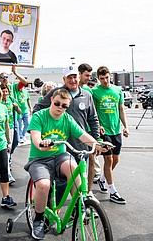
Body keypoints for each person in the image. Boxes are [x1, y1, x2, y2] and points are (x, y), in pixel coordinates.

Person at [25, 89, 105, 240]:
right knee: (43, 185)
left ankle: (80, 205)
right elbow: (35, 137)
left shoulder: (67, 119)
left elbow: (82, 135)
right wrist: (41, 143)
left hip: (59, 157)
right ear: (51, 101)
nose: (60, 108)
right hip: (39, 159)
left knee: (73, 167)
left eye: (64, 106)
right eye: (57, 104)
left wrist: (98, 145)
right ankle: (39, 220)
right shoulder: (39, 116)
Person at [33, 65, 101, 200]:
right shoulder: (57, 93)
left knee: (79, 182)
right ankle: (54, 211)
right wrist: (41, 130)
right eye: (69, 77)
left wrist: (96, 140)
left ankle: (77, 212)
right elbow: (38, 108)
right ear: (64, 79)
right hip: (60, 146)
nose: (72, 80)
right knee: (61, 184)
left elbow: (93, 119)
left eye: (74, 77)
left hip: (80, 146)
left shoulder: (87, 95)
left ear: (79, 77)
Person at [92, 66, 129, 204]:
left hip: (116, 130)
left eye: (107, 78)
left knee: (116, 160)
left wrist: (125, 126)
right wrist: (98, 126)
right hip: (104, 131)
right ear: (98, 79)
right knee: (108, 160)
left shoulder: (117, 90)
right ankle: (113, 191)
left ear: (110, 76)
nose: (105, 81)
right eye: (102, 79)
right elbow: (93, 111)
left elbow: (121, 109)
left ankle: (102, 179)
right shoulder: (95, 91)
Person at [0, 84, 21, 184]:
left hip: (12, 126)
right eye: (3, 92)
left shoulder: (12, 99)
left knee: (15, 143)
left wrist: (16, 107)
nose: (5, 94)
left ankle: (8, 160)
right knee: (6, 150)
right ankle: (7, 173)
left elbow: (20, 111)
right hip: (1, 128)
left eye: (6, 92)